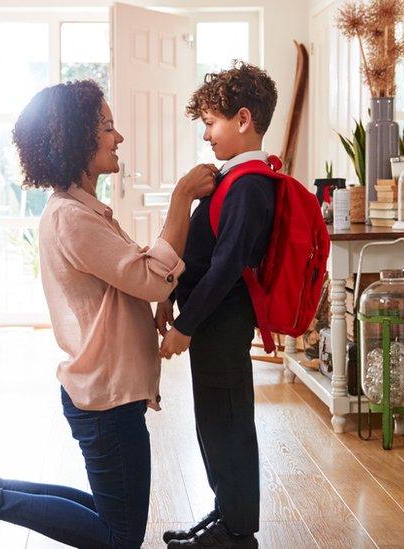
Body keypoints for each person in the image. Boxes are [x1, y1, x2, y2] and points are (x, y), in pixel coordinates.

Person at [0, 79, 217, 549]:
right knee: (119, 536)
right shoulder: (73, 218)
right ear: (76, 139)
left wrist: (161, 295)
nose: (119, 137)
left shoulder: (80, 211)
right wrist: (180, 199)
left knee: (108, 512)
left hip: (104, 391)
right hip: (105, 398)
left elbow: (135, 278)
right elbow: (149, 277)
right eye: (108, 127)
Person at [156, 62, 279, 548]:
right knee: (214, 420)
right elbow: (203, 249)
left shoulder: (249, 184)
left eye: (211, 122)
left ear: (243, 119)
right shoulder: (234, 178)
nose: (206, 134)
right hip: (213, 323)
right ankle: (226, 514)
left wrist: (185, 325)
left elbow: (226, 267)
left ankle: (237, 531)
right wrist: (170, 296)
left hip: (222, 324)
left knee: (228, 423)